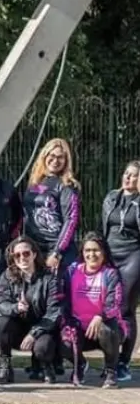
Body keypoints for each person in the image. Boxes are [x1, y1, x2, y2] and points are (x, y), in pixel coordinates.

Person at [0, 235, 62, 385]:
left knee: (43, 348)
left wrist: (33, 333)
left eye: (26, 253)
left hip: (41, 328)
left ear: (34, 254)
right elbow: (1, 304)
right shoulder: (7, 276)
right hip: (17, 327)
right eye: (17, 255)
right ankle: (5, 365)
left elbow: (54, 312)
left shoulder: (49, 278)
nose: (22, 258)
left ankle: (45, 365)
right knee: (1, 323)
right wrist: (15, 308)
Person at [62, 232, 125, 389]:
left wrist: (100, 317)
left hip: (104, 327)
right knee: (63, 339)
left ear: (104, 251)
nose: (92, 254)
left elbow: (114, 303)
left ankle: (111, 370)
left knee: (107, 330)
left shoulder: (111, 274)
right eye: (87, 250)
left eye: (96, 250)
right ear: (82, 253)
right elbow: (63, 299)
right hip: (79, 326)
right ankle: (80, 364)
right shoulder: (72, 271)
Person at [102, 160, 140, 381]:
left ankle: (123, 362)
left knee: (125, 307)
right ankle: (111, 359)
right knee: (109, 306)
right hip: (111, 253)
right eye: (126, 173)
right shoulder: (111, 197)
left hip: (133, 255)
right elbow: (104, 226)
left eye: (134, 175)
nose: (128, 178)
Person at [24, 138, 81, 274]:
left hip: (58, 250)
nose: (55, 161)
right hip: (35, 247)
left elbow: (71, 220)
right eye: (52, 156)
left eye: (60, 157)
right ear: (45, 156)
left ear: (66, 161)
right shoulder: (34, 183)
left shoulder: (67, 186)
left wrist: (57, 252)